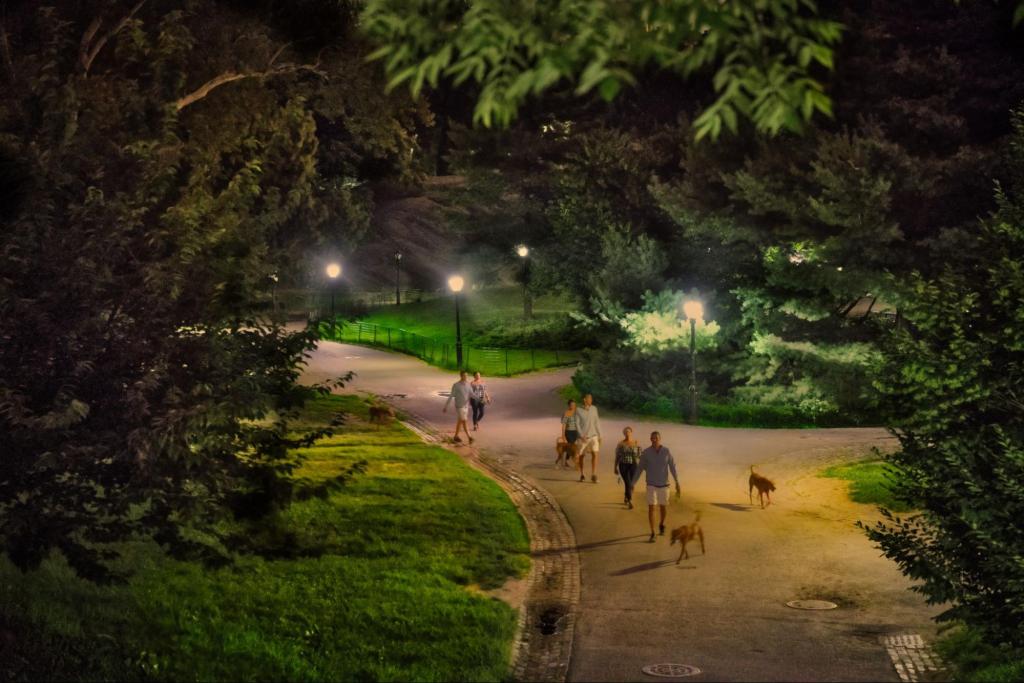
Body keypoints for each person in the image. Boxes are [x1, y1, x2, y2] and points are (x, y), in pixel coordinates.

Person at [632, 431, 681, 542]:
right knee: (651, 508)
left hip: (664, 485)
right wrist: (633, 483)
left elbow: (673, 467)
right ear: (650, 439)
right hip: (651, 485)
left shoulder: (666, 451)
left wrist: (677, 482)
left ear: (660, 439)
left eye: (656, 438)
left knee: (663, 507)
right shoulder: (646, 453)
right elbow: (639, 469)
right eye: (652, 438)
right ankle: (653, 532)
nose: (654, 440)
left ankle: (662, 524)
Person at [613, 426, 642, 509]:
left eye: (628, 432)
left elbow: (640, 455)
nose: (627, 433)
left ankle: (626, 496)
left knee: (632, 484)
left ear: (631, 432)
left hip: (633, 465)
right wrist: (615, 467)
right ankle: (630, 500)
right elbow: (617, 456)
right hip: (623, 465)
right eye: (625, 432)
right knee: (628, 482)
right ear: (624, 433)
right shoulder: (621, 444)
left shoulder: (636, 442)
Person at [575, 393, 602, 483]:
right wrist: (581, 435)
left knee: (595, 454)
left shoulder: (594, 409)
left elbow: (597, 422)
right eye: (589, 399)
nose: (591, 400)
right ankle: (582, 474)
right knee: (582, 456)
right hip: (583, 437)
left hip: (594, 436)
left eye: (591, 399)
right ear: (584, 400)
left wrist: (600, 435)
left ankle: (593, 474)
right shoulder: (578, 410)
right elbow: (577, 424)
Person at [443, 370, 473, 444]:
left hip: (466, 406)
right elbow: (451, 396)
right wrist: (446, 406)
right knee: (464, 421)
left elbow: (472, 394)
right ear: (461, 376)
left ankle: (456, 436)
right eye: (464, 376)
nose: (466, 377)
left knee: (460, 421)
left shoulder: (468, 385)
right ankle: (469, 437)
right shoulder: (456, 385)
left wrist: (480, 399)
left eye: (467, 376)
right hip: (459, 406)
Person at [559, 398, 581, 468]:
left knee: (573, 447)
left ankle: (567, 460)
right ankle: (575, 463)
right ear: (569, 405)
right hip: (568, 432)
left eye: (574, 405)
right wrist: (563, 435)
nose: (573, 406)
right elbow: (564, 424)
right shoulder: (566, 413)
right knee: (572, 447)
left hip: (576, 432)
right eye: (571, 405)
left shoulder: (577, 413)